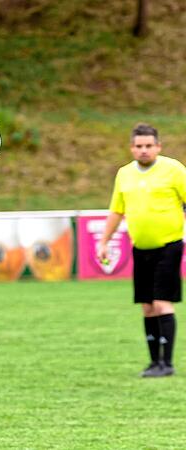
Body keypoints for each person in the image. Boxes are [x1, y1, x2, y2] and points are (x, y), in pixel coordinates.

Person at [98, 123, 185, 378]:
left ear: (158, 147)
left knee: (161, 304)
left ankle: (167, 364)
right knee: (147, 307)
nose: (144, 150)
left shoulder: (174, 170)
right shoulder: (124, 174)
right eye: (139, 146)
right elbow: (117, 210)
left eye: (149, 145)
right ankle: (153, 363)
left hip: (169, 245)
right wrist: (104, 241)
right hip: (141, 248)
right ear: (131, 148)